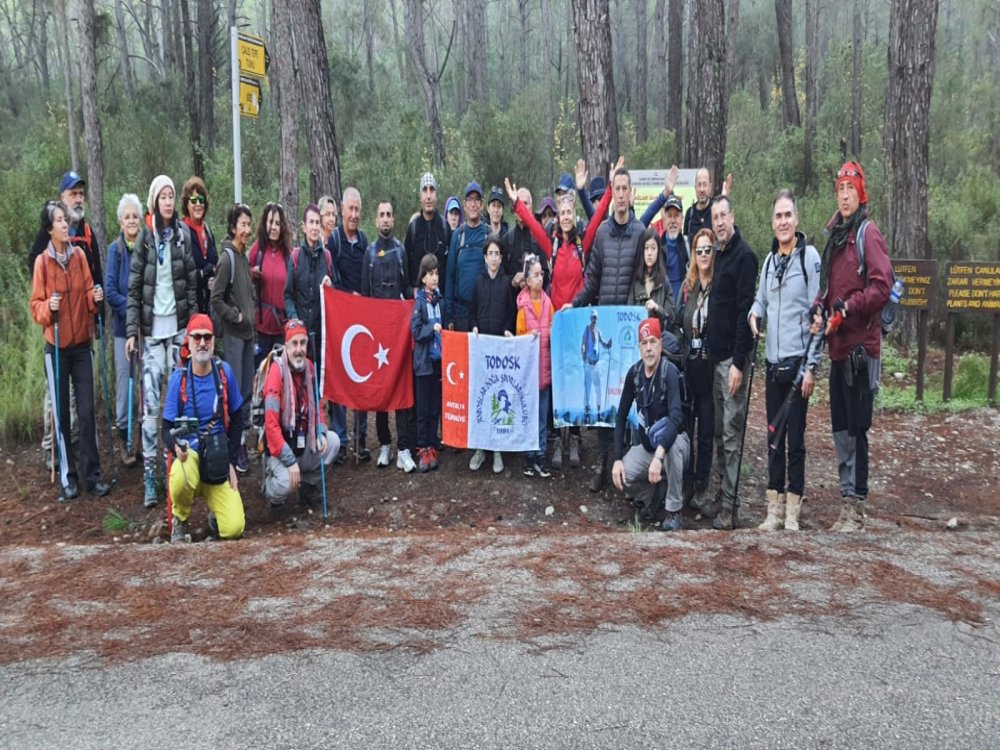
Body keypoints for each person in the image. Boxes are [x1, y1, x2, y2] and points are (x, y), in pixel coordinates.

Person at [505, 165, 616, 470]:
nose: (566, 216)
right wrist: (517, 203)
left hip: (578, 319)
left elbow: (597, 218)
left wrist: (607, 188)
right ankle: (557, 438)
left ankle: (576, 438)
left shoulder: (583, 241)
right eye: (562, 212)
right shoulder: (551, 243)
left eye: (569, 211)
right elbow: (535, 227)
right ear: (557, 216)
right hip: (555, 320)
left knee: (577, 380)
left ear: (573, 215)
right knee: (557, 380)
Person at [810, 161, 891, 532]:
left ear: (861, 194)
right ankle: (846, 501)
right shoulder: (836, 237)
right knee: (840, 427)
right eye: (840, 189)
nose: (844, 195)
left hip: (862, 348)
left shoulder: (867, 234)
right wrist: (819, 309)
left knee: (858, 427)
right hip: (838, 348)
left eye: (850, 189)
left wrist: (848, 308)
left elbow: (881, 287)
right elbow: (829, 290)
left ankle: (857, 506)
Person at [748, 190, 822, 532]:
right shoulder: (768, 261)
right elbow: (761, 300)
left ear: (797, 219)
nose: (783, 222)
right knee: (773, 437)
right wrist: (754, 313)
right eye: (778, 216)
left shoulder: (809, 260)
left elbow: (817, 316)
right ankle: (773, 509)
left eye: (787, 215)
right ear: (772, 221)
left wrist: (811, 367)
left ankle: (793, 510)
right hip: (772, 363)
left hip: (797, 366)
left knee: (796, 439)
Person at [126, 174, 198, 508]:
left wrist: (195, 326)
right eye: (163, 196)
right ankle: (151, 478)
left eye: (172, 195)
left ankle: (180, 470)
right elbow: (134, 286)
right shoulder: (143, 238)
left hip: (179, 330)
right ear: (154, 200)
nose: (169, 201)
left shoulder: (183, 236)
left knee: (180, 403)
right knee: (152, 407)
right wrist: (131, 332)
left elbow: (193, 284)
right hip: (152, 333)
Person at [570, 160, 642, 492]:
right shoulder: (600, 234)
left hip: (629, 332)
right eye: (618, 189)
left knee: (628, 400)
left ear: (632, 194)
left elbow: (646, 281)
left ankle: (626, 465)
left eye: (627, 189)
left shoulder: (642, 234)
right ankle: (602, 463)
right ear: (612, 195)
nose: (622, 195)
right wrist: (576, 303)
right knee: (602, 406)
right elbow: (592, 280)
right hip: (603, 324)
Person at [30, 200, 110, 498]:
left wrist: (95, 297)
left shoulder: (78, 257)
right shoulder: (42, 263)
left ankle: (92, 476)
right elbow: (35, 306)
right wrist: (47, 308)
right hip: (56, 348)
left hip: (81, 346)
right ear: (50, 228)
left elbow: (89, 292)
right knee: (62, 415)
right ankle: (68, 477)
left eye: (66, 220)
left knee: (88, 412)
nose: (65, 225)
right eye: (59, 221)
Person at [161, 314, 245, 542]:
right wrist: (175, 447)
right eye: (196, 337)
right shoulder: (179, 379)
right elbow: (166, 427)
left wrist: (232, 462)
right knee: (180, 475)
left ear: (213, 340)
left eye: (207, 337)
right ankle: (180, 519)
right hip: (191, 456)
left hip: (218, 458)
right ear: (188, 341)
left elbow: (238, 418)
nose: (202, 343)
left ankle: (216, 517)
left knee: (235, 528)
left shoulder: (224, 373)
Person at [706, 195, 759, 530]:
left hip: (733, 362)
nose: (720, 222)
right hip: (716, 359)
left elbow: (744, 313)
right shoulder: (720, 254)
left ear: (733, 216)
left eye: (724, 215)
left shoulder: (745, 257)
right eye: (715, 218)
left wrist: (739, 363)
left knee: (730, 434)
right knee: (717, 433)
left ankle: (731, 505)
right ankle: (722, 493)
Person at [612, 317, 690, 531]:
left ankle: (674, 510)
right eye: (644, 343)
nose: (649, 348)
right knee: (623, 476)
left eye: (653, 342)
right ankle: (655, 496)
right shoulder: (634, 373)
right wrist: (617, 458)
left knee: (672, 448)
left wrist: (659, 456)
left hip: (674, 445)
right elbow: (620, 417)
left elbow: (676, 418)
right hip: (649, 448)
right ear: (639, 347)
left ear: (660, 345)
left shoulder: (669, 372)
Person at [283, 205, 343, 458]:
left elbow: (337, 293)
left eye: (319, 222)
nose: (316, 226)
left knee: (319, 388)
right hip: (299, 340)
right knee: (298, 388)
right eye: (311, 222)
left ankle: (321, 438)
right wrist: (295, 321)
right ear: (304, 226)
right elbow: (287, 295)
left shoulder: (327, 258)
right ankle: (298, 437)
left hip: (321, 337)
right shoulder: (295, 257)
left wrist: (331, 284)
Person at [261, 319, 339, 511]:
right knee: (286, 484)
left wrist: (321, 431)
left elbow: (318, 406)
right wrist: (289, 461)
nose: (299, 349)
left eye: (302, 343)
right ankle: (272, 494)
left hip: (304, 439)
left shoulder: (310, 368)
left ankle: (308, 487)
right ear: (286, 346)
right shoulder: (276, 372)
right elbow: (270, 426)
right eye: (294, 344)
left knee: (333, 442)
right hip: (280, 448)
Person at [361, 200, 416, 472]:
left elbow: (406, 288)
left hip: (398, 333)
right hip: (377, 336)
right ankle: (384, 444)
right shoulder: (369, 254)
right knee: (382, 390)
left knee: (401, 388)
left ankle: (404, 448)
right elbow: (363, 295)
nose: (385, 219)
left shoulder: (401, 250)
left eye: (389, 215)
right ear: (375, 220)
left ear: (394, 220)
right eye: (381, 215)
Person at [212, 203, 256, 474]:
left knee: (247, 391)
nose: (247, 230)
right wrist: (235, 316)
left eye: (249, 225)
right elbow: (215, 298)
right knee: (235, 393)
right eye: (243, 225)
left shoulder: (243, 256)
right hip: (234, 336)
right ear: (232, 227)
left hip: (249, 335)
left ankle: (241, 443)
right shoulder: (227, 258)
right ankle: (233, 448)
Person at [468, 233, 516, 474]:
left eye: (498, 254)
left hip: (499, 350)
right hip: (481, 350)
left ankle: (497, 449)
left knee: (498, 397)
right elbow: (472, 312)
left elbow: (510, 312)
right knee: (481, 396)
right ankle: (480, 448)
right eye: (490, 254)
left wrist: (508, 330)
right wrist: (474, 326)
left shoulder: (506, 282)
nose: (494, 258)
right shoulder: (478, 282)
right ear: (485, 257)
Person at [331, 187, 371, 460]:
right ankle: (341, 440)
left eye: (358, 210)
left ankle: (361, 438)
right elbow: (330, 279)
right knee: (340, 378)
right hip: (340, 320)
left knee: (363, 376)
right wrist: (348, 298)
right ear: (343, 210)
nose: (354, 215)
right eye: (350, 209)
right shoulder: (333, 240)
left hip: (362, 321)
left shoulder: (365, 240)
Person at [682, 229, 719, 517]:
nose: (704, 255)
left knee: (706, 430)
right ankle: (685, 483)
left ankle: (702, 484)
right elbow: (681, 322)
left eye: (708, 250)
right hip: (689, 363)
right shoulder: (689, 286)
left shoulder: (718, 287)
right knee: (686, 428)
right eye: (699, 250)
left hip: (710, 366)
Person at [105, 193, 143, 467]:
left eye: (135, 216)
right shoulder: (114, 252)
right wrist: (132, 309)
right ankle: (124, 436)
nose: (131, 221)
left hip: (145, 328)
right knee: (124, 381)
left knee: (142, 383)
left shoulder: (146, 248)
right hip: (122, 329)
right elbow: (110, 290)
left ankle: (140, 439)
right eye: (127, 217)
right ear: (120, 222)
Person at [516, 258, 554, 478]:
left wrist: (550, 332)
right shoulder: (523, 308)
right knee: (529, 416)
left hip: (545, 372)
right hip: (529, 375)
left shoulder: (549, 304)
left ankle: (541, 455)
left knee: (542, 417)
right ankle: (529, 457)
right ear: (528, 280)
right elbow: (518, 338)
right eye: (536, 275)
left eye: (542, 274)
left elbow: (554, 330)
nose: (540, 278)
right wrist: (525, 338)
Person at [411, 254, 444, 473]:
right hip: (423, 364)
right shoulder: (420, 302)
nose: (434, 278)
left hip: (438, 362)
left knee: (435, 407)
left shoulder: (440, 300)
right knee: (423, 409)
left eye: (436, 273)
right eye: (430, 274)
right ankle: (422, 446)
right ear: (423, 278)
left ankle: (433, 443)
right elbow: (415, 331)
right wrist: (430, 329)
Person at [249, 202, 292, 363]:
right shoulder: (257, 250)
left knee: (280, 375)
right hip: (261, 329)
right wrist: (252, 274)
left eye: (278, 223)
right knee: (261, 374)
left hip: (282, 328)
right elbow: (243, 274)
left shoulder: (288, 255)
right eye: (270, 222)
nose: (274, 227)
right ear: (264, 224)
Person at [444, 181, 488, 332]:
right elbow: (450, 276)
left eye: (477, 200)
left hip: (483, 313)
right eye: (470, 200)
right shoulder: (458, 235)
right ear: (464, 205)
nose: (473, 204)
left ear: (481, 205)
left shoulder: (489, 235)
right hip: (461, 314)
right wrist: (449, 316)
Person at [628, 227, 680, 336]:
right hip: (639, 340)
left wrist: (657, 308)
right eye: (646, 248)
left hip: (659, 341)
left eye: (653, 248)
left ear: (658, 251)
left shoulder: (664, 281)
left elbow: (671, 317)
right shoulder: (636, 282)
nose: (649, 253)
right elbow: (629, 314)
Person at [405, 172, 452, 294]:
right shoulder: (413, 229)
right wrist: (411, 291)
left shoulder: (445, 227)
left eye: (432, 190)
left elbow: (452, 269)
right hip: (418, 304)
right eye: (425, 190)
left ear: (436, 195)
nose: (428, 196)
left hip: (440, 301)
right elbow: (406, 268)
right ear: (420, 196)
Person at [179, 176, 218, 314]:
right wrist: (202, 274)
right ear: (186, 204)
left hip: (209, 306)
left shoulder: (208, 231)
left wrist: (213, 277)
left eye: (201, 200)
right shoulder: (181, 232)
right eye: (193, 200)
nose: (198, 204)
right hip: (189, 307)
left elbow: (215, 262)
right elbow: (180, 275)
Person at [504, 187, 550, 293]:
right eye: (519, 203)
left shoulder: (540, 236)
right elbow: (501, 275)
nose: (522, 207)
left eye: (525, 203)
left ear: (531, 207)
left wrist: (530, 279)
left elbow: (547, 273)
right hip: (513, 303)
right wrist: (513, 281)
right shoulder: (507, 239)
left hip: (535, 302)